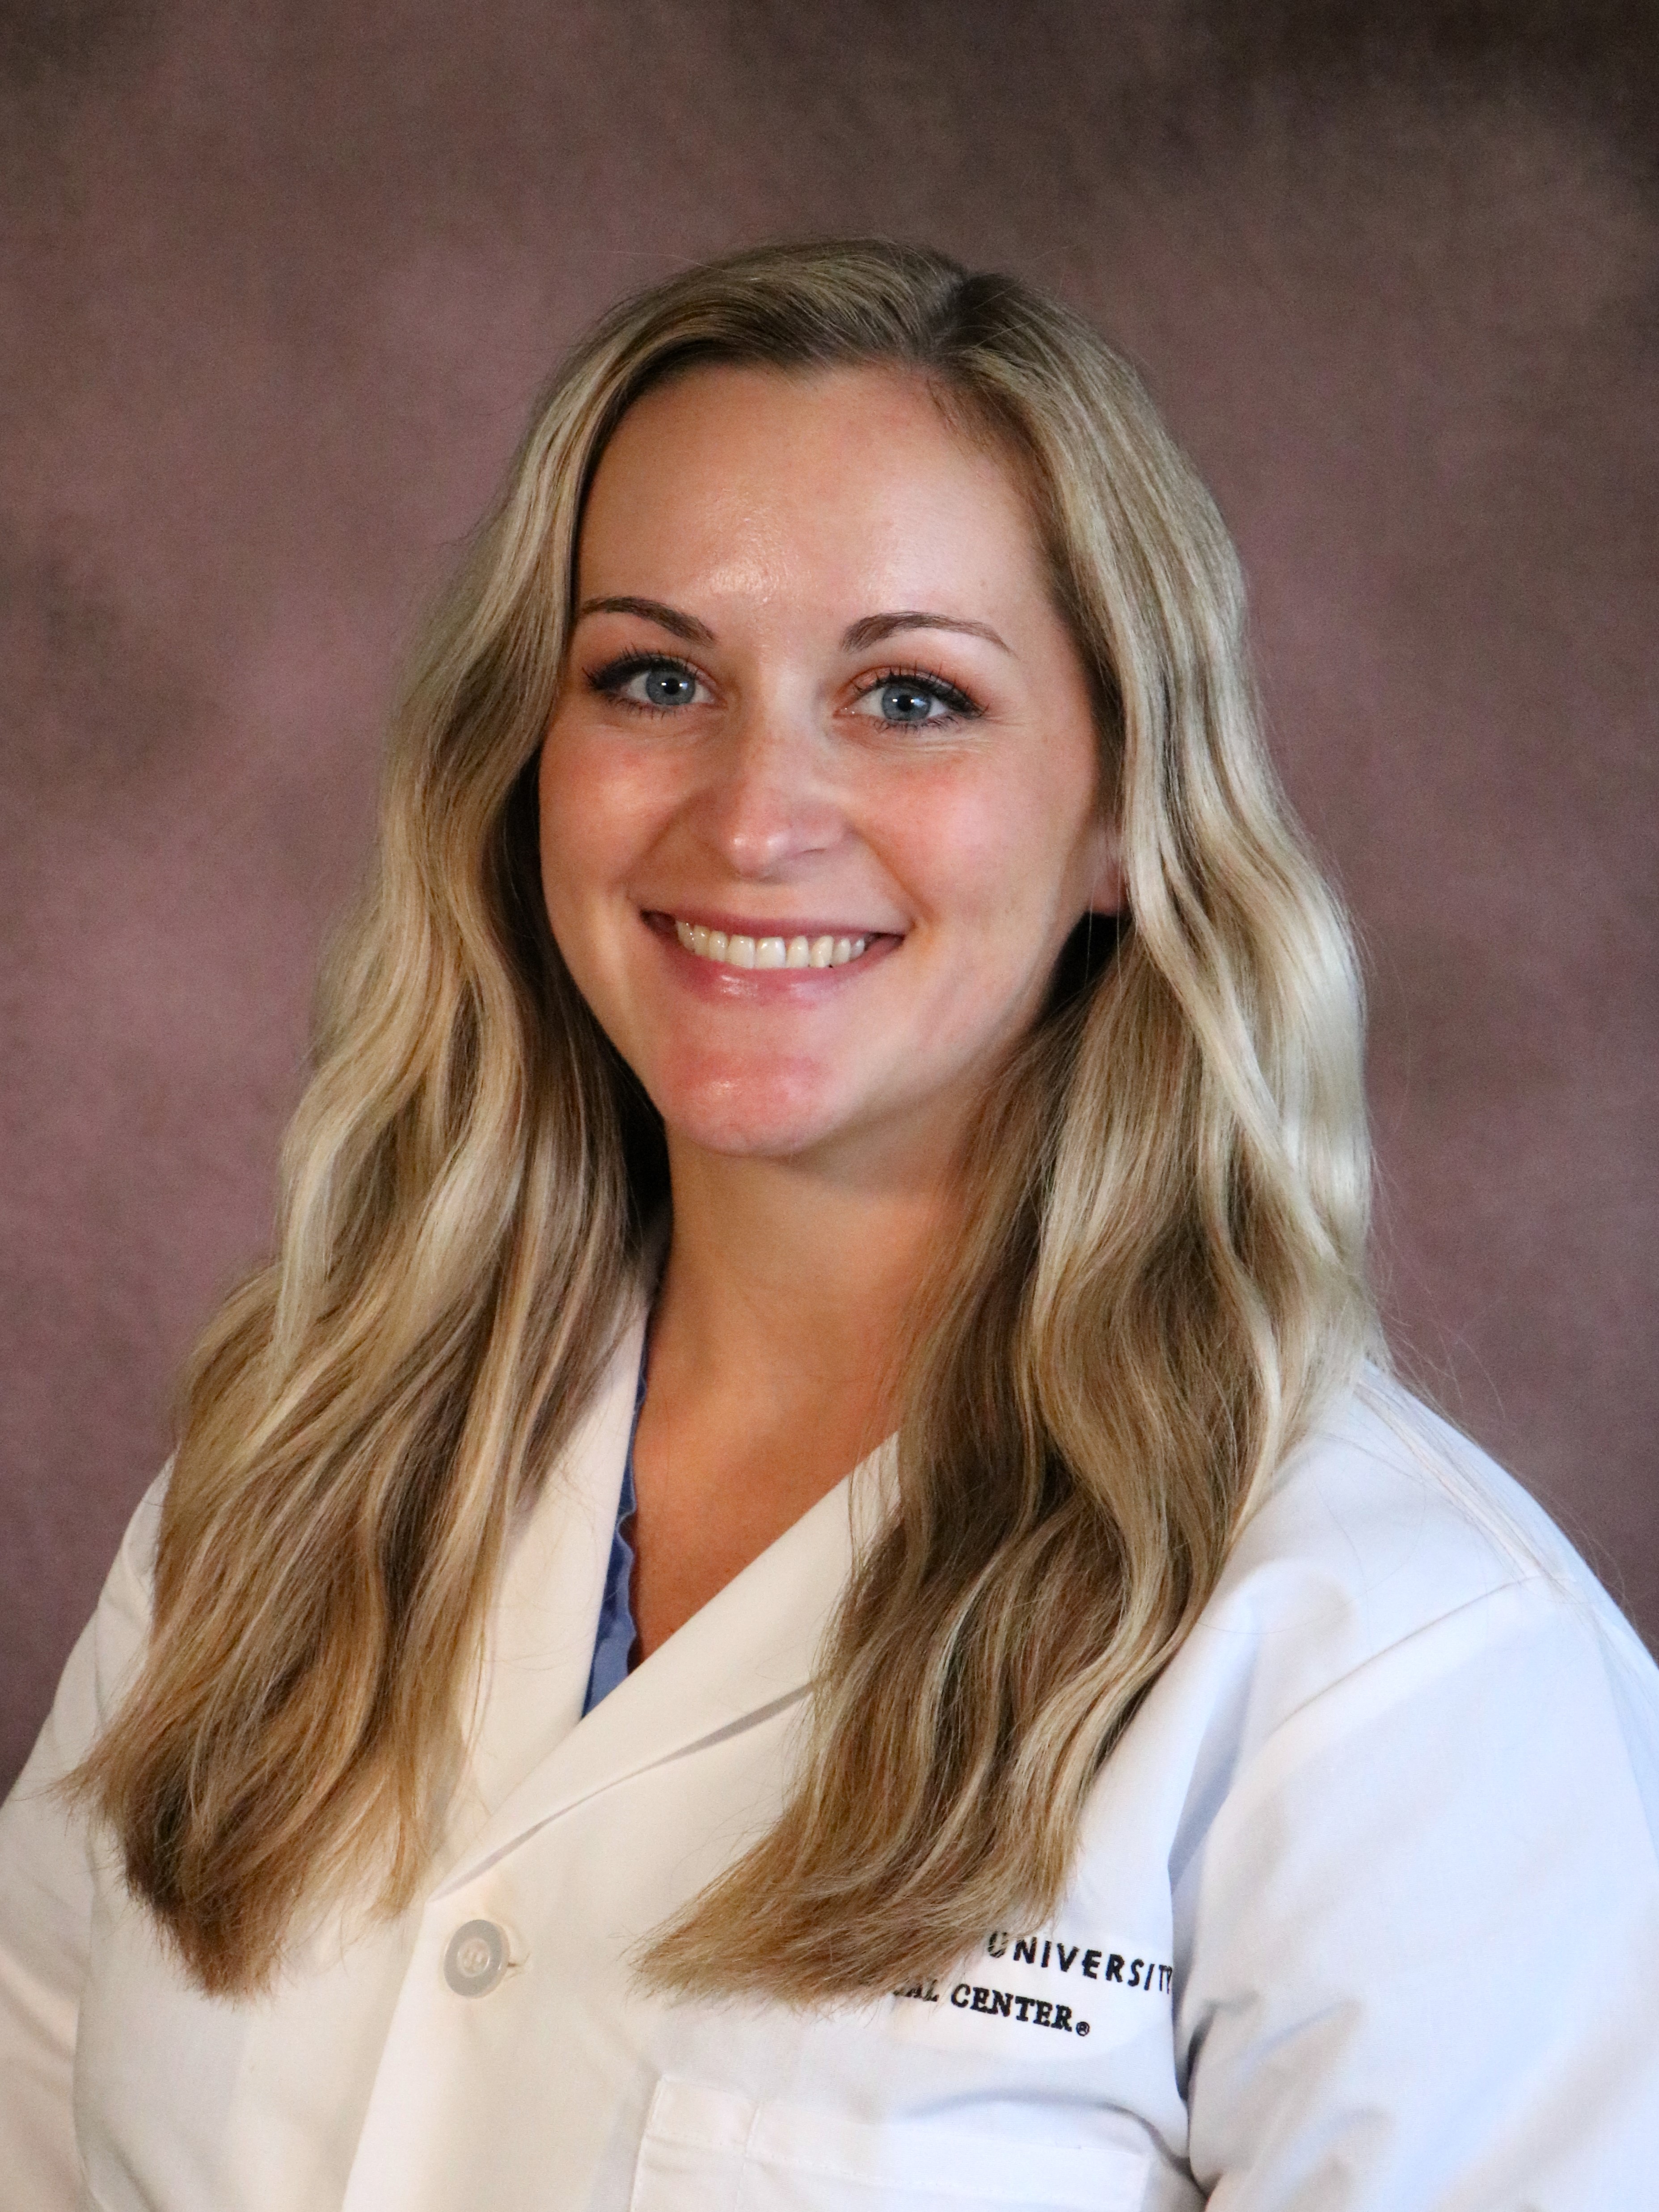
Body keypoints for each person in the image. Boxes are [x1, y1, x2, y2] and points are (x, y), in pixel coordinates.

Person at [1, 240, 1655, 2212]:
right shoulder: (284, 1488)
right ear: (525, 765)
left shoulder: (1400, 1665)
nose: (753, 814)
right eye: (656, 677)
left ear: (1121, 816)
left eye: (909, 696)